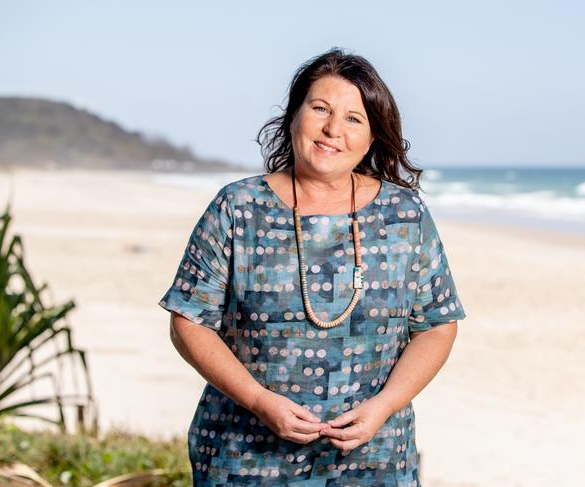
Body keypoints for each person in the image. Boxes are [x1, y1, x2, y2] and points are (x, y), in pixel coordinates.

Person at [158, 48, 466, 486]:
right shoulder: (238, 207)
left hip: (374, 458)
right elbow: (188, 321)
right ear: (293, 116)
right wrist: (259, 401)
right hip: (246, 456)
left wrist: (383, 406)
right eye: (320, 108)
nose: (332, 130)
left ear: (374, 136)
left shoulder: (405, 215)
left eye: (354, 119)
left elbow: (437, 325)